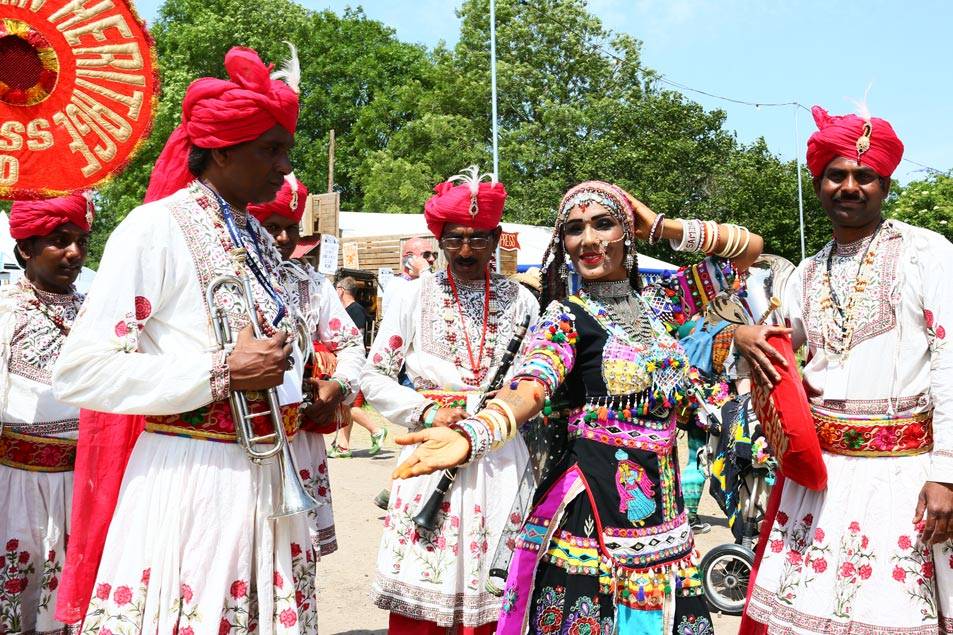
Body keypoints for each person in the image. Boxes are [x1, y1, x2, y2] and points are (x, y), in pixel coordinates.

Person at [390, 180, 764, 634]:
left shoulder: (661, 305)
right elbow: (530, 383)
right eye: (574, 229)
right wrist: (475, 433)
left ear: (626, 233)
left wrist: (657, 225)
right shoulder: (564, 316)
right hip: (593, 509)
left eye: (603, 224)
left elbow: (747, 252)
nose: (587, 240)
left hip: (665, 519)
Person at [51, 47, 320, 633]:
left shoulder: (253, 233)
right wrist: (222, 371)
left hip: (267, 480)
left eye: (286, 150)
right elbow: (81, 370)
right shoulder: (155, 228)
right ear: (222, 149)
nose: (284, 168)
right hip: (190, 478)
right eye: (270, 150)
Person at [737, 106, 953, 633]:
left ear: (884, 184)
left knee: (894, 614)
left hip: (905, 473)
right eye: (837, 175)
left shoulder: (927, 253)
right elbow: (778, 350)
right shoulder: (805, 272)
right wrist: (740, 336)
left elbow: (951, 360)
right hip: (821, 481)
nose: (850, 186)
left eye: (865, 176)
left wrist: (946, 472)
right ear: (819, 184)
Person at [361, 166, 539, 634]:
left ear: (497, 237)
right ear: (438, 238)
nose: (465, 250)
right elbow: (373, 375)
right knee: (425, 594)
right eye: (455, 238)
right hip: (434, 450)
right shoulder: (412, 296)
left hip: (501, 453)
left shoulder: (523, 301)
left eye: (478, 239)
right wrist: (427, 411)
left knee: (498, 595)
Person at [250, 174, 366, 558]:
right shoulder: (233, 277)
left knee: (299, 555)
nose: (282, 239)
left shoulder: (313, 283)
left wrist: (340, 387)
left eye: (291, 229)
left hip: (300, 436)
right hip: (242, 436)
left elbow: (351, 343)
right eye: (271, 227)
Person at [0, 194, 90, 634]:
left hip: (83, 484)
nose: (74, 253)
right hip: (14, 483)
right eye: (59, 240)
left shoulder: (96, 312)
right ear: (25, 249)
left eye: (80, 241)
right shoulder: (6, 309)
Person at [327, 276, 388, 458]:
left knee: (350, 405)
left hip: (354, 364)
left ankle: (376, 430)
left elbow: (353, 342)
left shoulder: (354, 311)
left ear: (340, 290)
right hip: (347, 364)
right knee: (345, 405)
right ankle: (343, 445)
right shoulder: (349, 310)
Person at [380, 236, 437, 316]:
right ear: (409, 257)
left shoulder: (421, 281)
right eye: (426, 255)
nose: (432, 259)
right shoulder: (397, 285)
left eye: (434, 255)